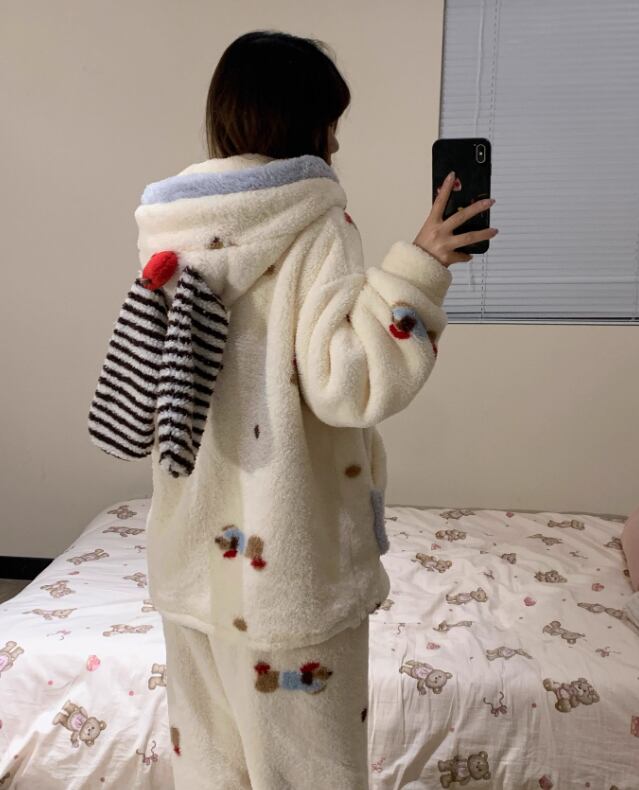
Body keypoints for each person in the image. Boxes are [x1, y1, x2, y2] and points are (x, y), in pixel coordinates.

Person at [131, 29, 498, 790]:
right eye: (330, 122)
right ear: (301, 122)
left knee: (211, 768)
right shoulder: (313, 223)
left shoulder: (176, 229)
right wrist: (420, 269)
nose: (335, 141)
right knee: (309, 772)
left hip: (193, 563)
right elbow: (347, 383)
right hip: (290, 572)